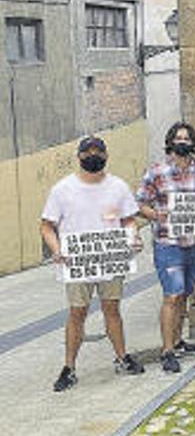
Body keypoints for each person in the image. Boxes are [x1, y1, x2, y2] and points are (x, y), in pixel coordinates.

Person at [41, 136, 145, 392]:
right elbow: (46, 225)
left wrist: (133, 237)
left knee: (112, 309)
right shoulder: (62, 189)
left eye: (98, 151)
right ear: (79, 157)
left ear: (106, 156)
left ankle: (122, 357)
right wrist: (56, 250)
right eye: (87, 152)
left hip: (109, 261)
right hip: (77, 263)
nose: (93, 155)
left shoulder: (118, 187)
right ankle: (69, 368)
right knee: (77, 313)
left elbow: (129, 220)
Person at [137, 122, 195, 373]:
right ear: (171, 142)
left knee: (184, 294)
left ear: (192, 142)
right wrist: (157, 215)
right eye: (178, 138)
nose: (182, 141)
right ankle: (167, 350)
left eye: (186, 138)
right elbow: (140, 204)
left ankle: (179, 340)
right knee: (172, 294)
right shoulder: (156, 172)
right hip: (168, 244)